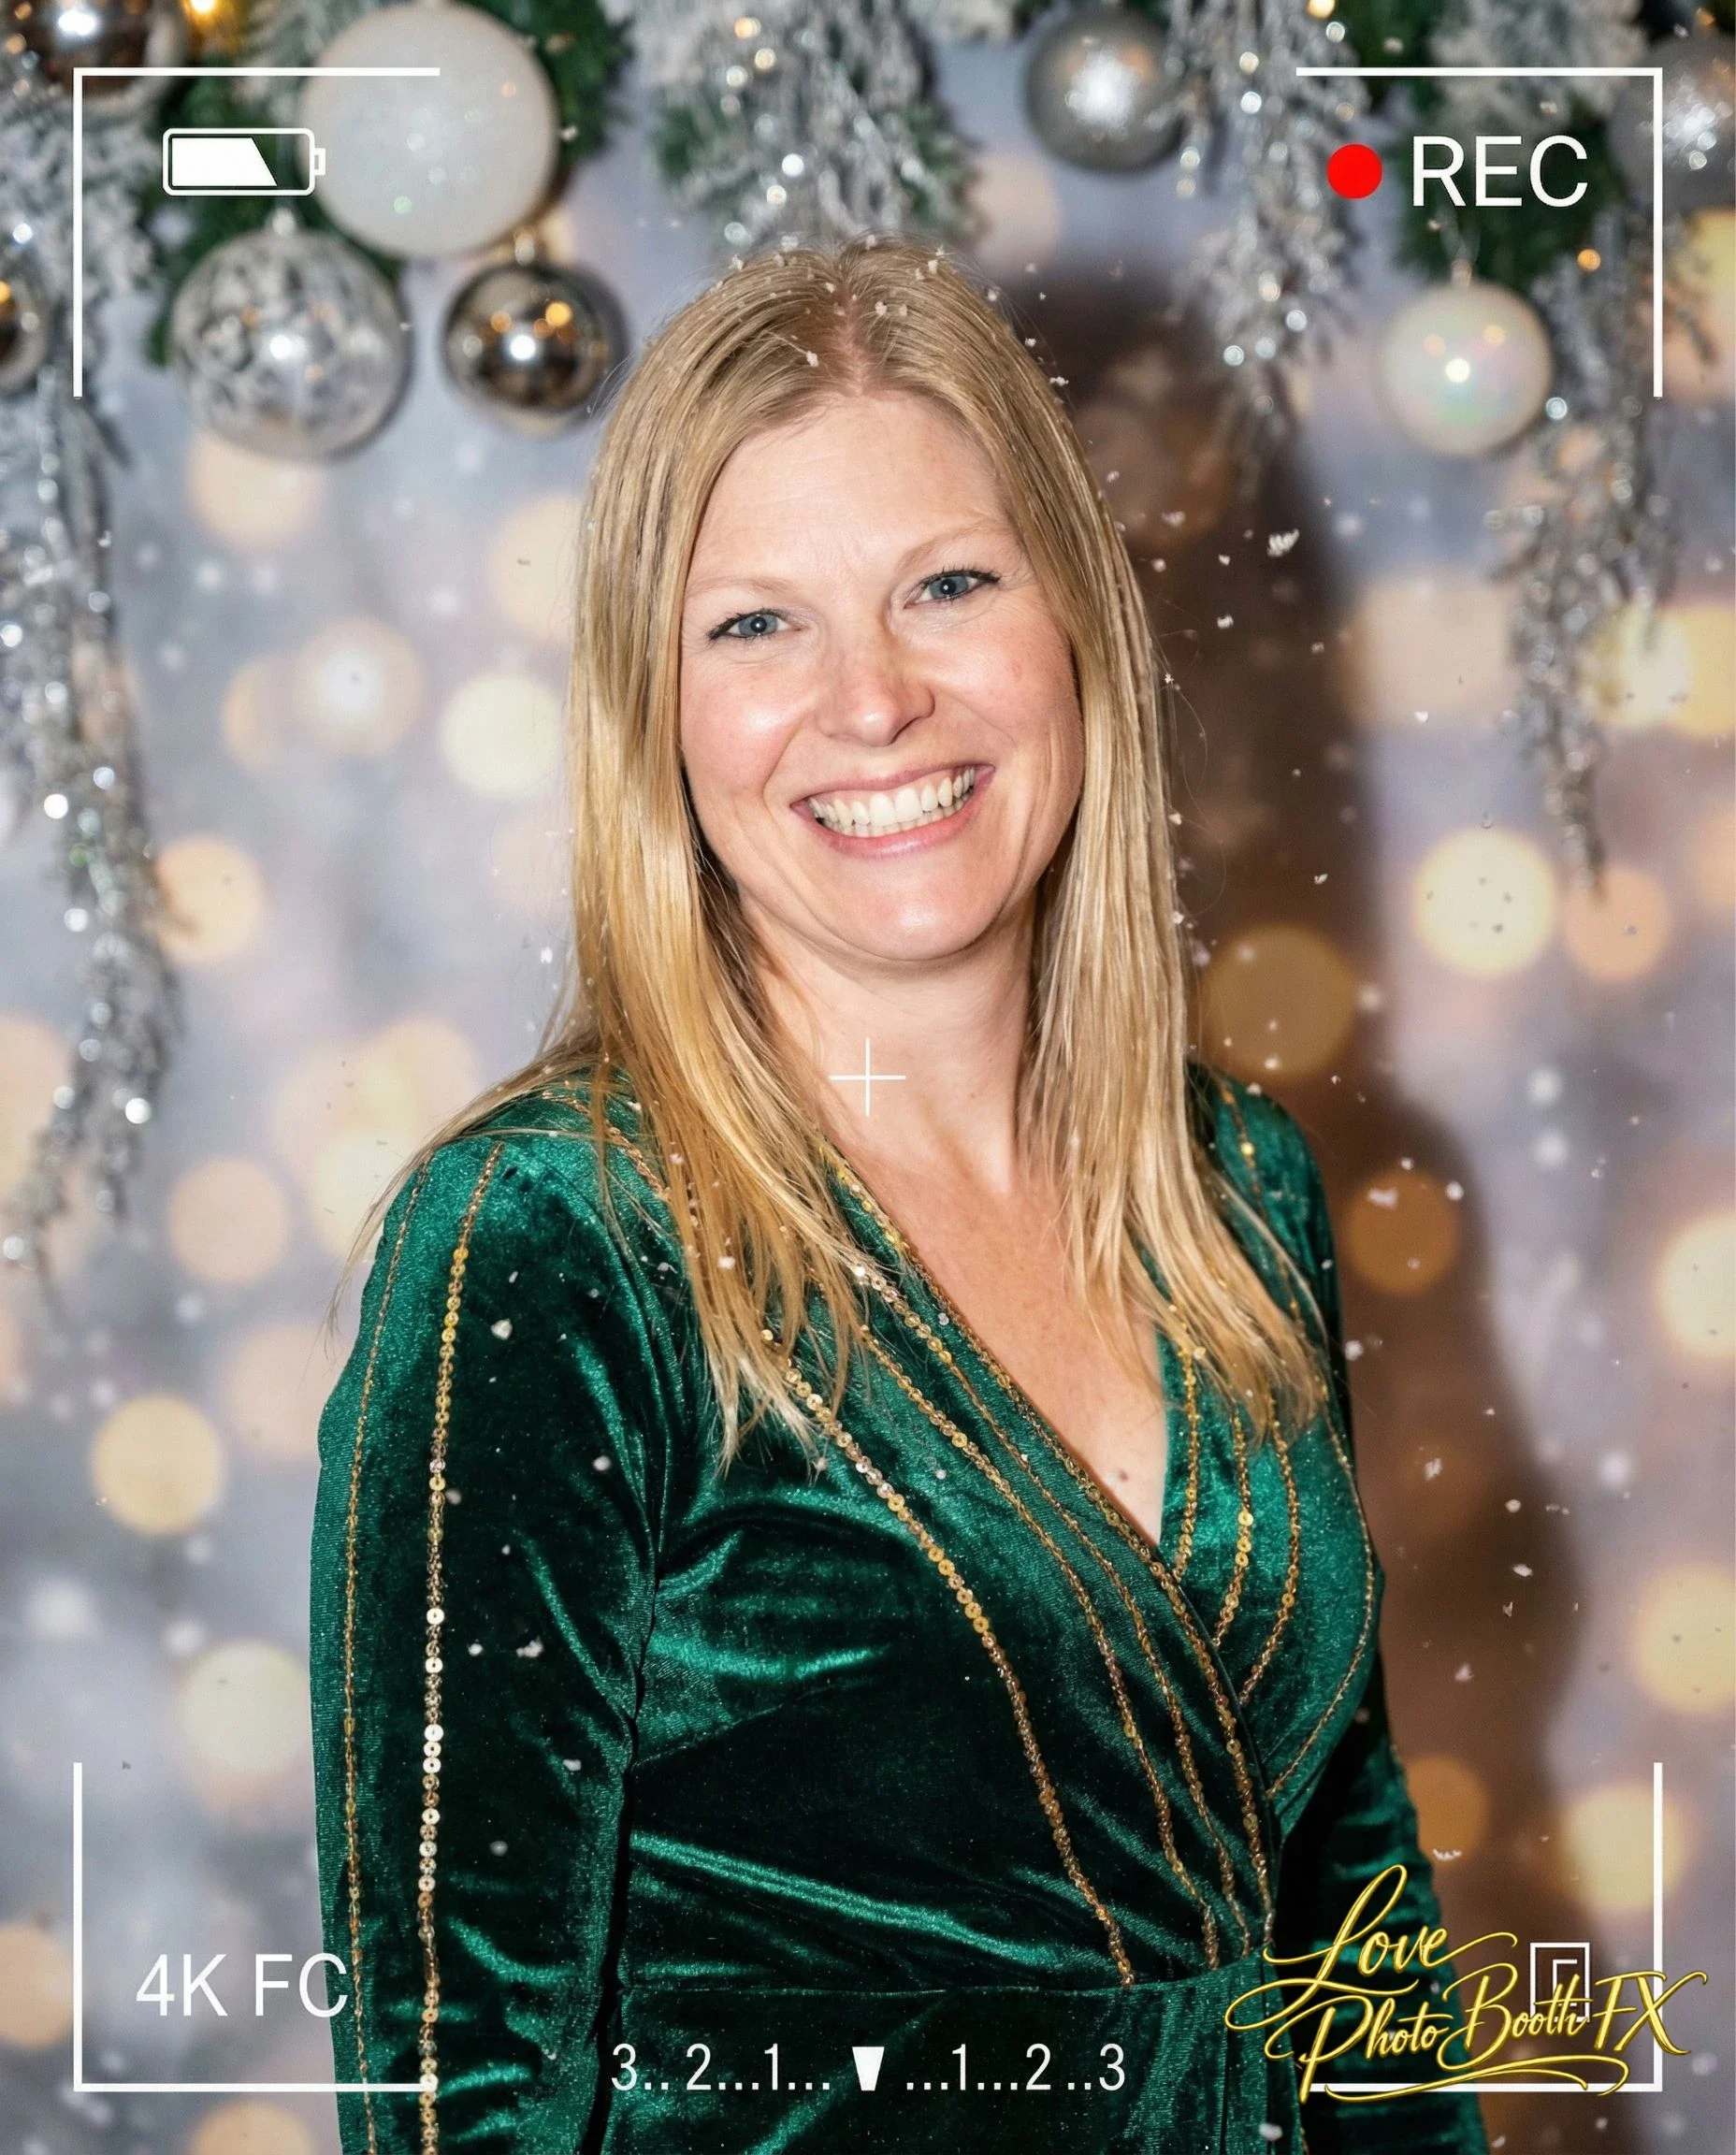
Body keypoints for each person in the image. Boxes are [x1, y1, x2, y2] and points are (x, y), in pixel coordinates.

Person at [310, 235, 1491, 2155]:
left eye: (947, 585)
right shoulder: (548, 1241)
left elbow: (1354, 1924)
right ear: (658, 720)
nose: (873, 701)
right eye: (756, 626)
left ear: (1072, 630)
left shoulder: (1234, 1185)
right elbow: (456, 2087)